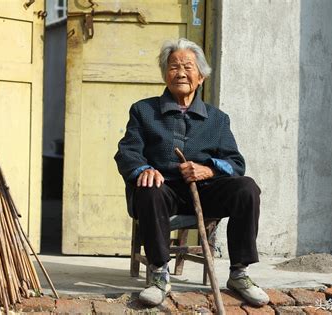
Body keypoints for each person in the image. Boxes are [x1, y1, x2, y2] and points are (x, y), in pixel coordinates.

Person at [114, 38, 269, 307]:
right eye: (174, 66)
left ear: (201, 76)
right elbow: (127, 152)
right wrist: (145, 169)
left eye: (188, 66)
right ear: (165, 74)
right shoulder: (143, 111)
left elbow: (235, 162)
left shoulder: (217, 119)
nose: (181, 72)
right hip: (163, 191)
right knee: (149, 188)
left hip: (205, 191)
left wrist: (208, 170)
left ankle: (239, 273)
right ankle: (159, 273)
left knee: (247, 188)